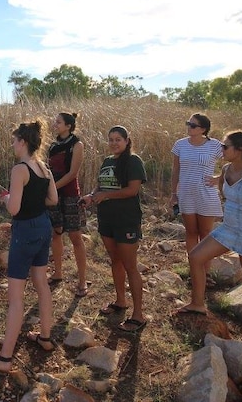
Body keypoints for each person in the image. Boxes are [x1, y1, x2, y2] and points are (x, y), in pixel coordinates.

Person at [177, 130, 242, 343]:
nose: (221, 150)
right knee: (196, 257)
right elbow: (223, 186)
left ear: (240, 149)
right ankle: (197, 304)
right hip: (228, 229)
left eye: (225, 147)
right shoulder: (226, 169)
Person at [0, 120, 58, 375]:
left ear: (23, 142)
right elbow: (53, 199)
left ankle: (5, 359)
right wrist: (33, 200)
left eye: (14, 141)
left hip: (25, 231)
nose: (12, 145)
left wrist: (8, 198)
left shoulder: (19, 169)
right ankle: (45, 337)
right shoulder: (44, 167)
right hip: (44, 226)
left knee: (15, 299)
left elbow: (14, 209)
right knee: (41, 284)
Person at [79, 125, 148, 333]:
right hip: (106, 219)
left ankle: (138, 315)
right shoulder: (108, 161)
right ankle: (120, 301)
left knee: (130, 265)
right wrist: (92, 196)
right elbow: (101, 186)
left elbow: (132, 190)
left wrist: (106, 196)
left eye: (118, 139)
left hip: (126, 219)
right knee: (115, 260)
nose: (114, 143)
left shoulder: (134, 161)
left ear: (127, 141)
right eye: (110, 139)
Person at [47, 112, 89, 297]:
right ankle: (58, 273)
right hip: (54, 194)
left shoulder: (77, 144)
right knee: (56, 233)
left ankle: (82, 281)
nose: (55, 124)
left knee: (75, 237)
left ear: (69, 126)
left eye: (58, 122)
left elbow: (73, 174)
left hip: (70, 194)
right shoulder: (53, 146)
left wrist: (53, 188)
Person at [170, 113, 223, 257]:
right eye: (188, 123)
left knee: (205, 233)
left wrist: (219, 178)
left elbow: (235, 160)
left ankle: (206, 271)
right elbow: (176, 170)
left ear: (203, 129)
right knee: (191, 232)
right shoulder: (180, 144)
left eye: (193, 125)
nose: (189, 127)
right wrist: (174, 194)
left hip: (206, 193)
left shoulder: (215, 145)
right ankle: (194, 267)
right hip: (186, 193)